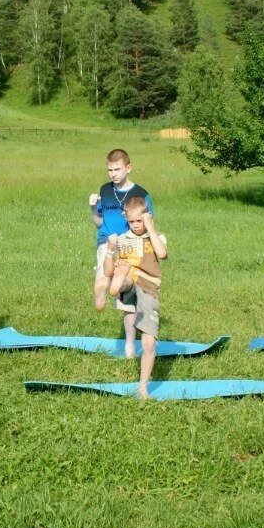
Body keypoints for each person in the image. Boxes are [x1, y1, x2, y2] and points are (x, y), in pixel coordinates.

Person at [102, 195, 168, 400]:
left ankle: (142, 387)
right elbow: (107, 271)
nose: (136, 225)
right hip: (128, 280)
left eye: (140, 220)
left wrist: (150, 226)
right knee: (124, 273)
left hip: (148, 288)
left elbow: (162, 254)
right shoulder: (121, 240)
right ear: (126, 219)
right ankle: (120, 283)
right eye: (132, 221)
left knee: (148, 344)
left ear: (146, 216)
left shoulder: (155, 237)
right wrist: (110, 250)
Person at [89, 148, 154, 358]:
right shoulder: (104, 190)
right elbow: (99, 223)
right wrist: (92, 209)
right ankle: (101, 289)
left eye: (117, 169)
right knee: (103, 267)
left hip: (131, 246)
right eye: (109, 170)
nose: (113, 174)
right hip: (107, 241)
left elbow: (147, 225)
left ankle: (128, 343)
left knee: (128, 301)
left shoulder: (141, 194)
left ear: (128, 168)